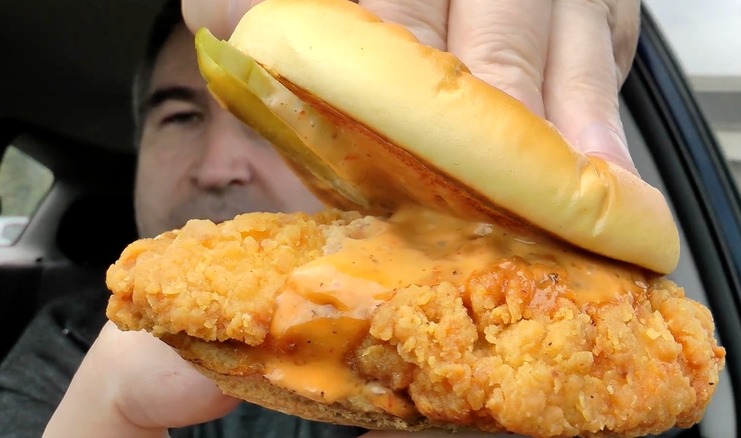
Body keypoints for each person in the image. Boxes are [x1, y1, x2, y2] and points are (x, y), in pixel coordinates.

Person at [0, 0, 641, 437]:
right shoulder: (60, 349)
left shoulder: (509, 340)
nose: (219, 165)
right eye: (181, 116)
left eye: (276, 125)